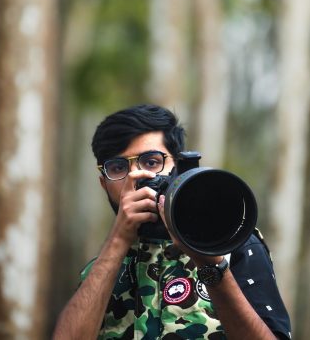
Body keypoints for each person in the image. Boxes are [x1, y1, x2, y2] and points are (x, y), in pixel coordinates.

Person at [53, 104, 291, 339]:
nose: (137, 177)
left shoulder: (231, 241)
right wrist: (118, 241)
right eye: (118, 167)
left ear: (179, 167)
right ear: (104, 183)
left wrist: (211, 264)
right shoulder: (103, 264)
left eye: (152, 162)